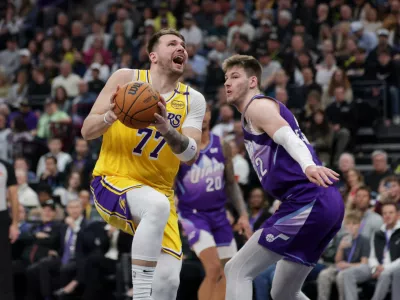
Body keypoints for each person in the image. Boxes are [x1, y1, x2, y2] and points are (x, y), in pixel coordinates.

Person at [81, 28, 206, 300]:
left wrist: (168, 130)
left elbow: (191, 155)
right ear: (153, 55)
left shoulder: (193, 100)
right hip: (113, 180)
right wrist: (111, 115)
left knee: (169, 283)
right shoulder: (125, 79)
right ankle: (139, 295)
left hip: (160, 192)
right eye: (172, 43)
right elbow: (86, 131)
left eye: (183, 45)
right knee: (156, 205)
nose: (181, 48)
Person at [222, 54, 345, 300]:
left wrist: (308, 165)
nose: (228, 83)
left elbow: (287, 136)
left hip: (309, 199)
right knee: (283, 293)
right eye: (226, 78)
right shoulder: (254, 115)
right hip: (321, 202)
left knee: (236, 269)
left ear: (253, 81)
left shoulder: (257, 106)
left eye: (235, 77)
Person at [175, 106, 251, 300]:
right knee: (213, 267)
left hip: (218, 214)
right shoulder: (180, 147)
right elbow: (169, 184)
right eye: (198, 113)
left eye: (206, 112)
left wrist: (243, 214)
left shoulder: (223, 145)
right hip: (192, 215)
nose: (203, 117)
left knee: (228, 271)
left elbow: (232, 185)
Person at [0, 159, 19, 300]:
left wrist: (15, 224)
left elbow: (14, 197)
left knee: (3, 262)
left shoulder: (5, 165)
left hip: (1, 216)